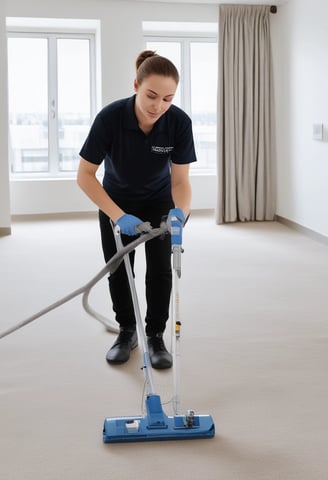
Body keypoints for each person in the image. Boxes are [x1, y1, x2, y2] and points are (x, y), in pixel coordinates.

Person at [77, 50, 196, 369]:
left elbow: (181, 181)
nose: (159, 106)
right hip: (117, 202)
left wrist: (179, 212)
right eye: (152, 96)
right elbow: (85, 176)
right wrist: (117, 215)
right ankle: (127, 332)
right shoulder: (110, 118)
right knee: (120, 269)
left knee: (159, 271)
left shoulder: (179, 122)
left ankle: (155, 335)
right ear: (135, 85)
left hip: (159, 201)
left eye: (168, 98)